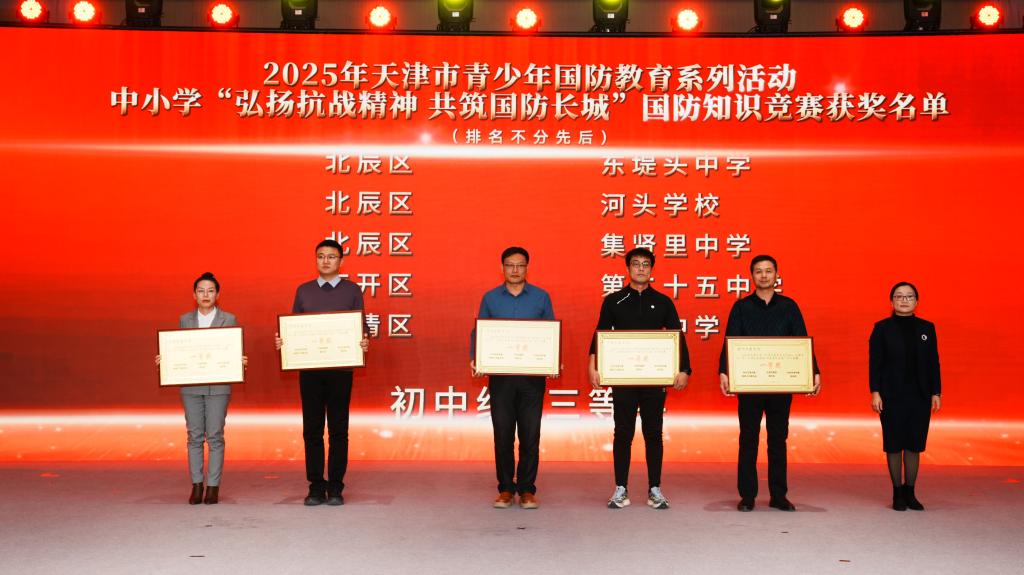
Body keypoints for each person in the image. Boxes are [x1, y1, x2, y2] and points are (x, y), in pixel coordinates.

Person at [587, 248, 691, 510]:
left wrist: (684, 369)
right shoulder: (614, 300)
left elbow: (677, 336)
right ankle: (620, 488)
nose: (641, 268)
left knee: (653, 432)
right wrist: (593, 364)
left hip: (654, 379)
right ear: (628, 268)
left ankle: (655, 488)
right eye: (636, 264)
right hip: (624, 378)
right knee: (623, 432)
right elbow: (600, 334)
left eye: (646, 264)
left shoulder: (663, 301)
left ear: (651, 269)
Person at [719, 254, 820, 512]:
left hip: (780, 386)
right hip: (750, 385)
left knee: (778, 439)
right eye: (758, 271)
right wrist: (724, 372)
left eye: (768, 271)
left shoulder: (789, 306)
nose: (764, 275)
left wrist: (814, 372)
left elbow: (801, 342)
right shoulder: (741, 307)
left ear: (776, 275)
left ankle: (778, 495)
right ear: (751, 276)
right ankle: (747, 496)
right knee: (748, 439)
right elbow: (730, 341)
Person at [275, 239, 369, 507]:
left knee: (339, 430)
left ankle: (336, 486)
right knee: (312, 430)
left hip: (341, 370)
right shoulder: (304, 290)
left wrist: (364, 341)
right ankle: (316, 486)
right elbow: (293, 327)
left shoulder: (352, 290)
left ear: (341, 261)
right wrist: (284, 342)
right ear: (315, 260)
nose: (326, 261)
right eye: (321, 256)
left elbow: (361, 326)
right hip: (311, 371)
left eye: (331, 256)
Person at [471, 247, 555, 509]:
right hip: (502, 379)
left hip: (532, 379)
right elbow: (479, 331)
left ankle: (527, 489)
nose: (515, 270)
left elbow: (550, 332)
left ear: (527, 268)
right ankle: (506, 488)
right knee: (503, 434)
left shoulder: (541, 297)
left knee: (530, 435)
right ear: (502, 268)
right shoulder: (490, 298)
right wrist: (477, 358)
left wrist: (552, 359)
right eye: (510, 265)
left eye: (520, 265)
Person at [155, 272, 245, 505]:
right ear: (194, 295)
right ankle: (196, 485)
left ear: (217, 294)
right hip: (191, 387)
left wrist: (238, 361)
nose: (206, 295)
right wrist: (166, 361)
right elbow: (179, 352)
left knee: (215, 436)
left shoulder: (229, 319)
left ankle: (213, 486)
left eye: (210, 291)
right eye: (201, 291)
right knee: (194, 436)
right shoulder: (185, 320)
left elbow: (232, 350)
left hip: (219, 386)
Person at [869, 281, 941, 511]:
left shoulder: (927, 328)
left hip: (919, 395)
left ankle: (911, 492)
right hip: (891, 396)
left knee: (914, 445)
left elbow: (933, 362)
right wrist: (875, 392)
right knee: (893, 444)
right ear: (892, 302)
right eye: (899, 296)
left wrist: (936, 392)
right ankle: (897, 493)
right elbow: (875, 363)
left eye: (909, 296)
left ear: (916, 301)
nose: (904, 300)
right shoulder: (881, 328)